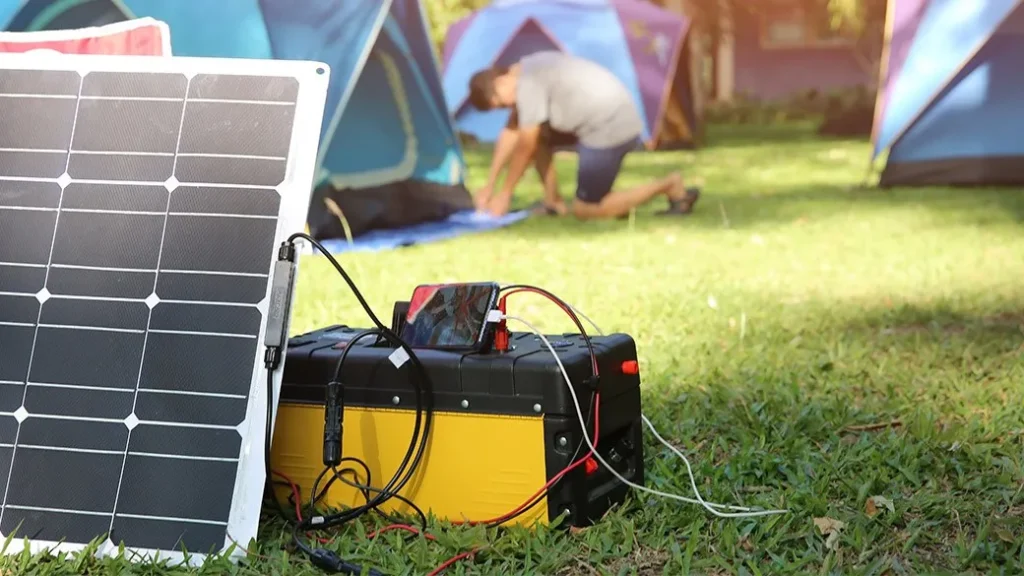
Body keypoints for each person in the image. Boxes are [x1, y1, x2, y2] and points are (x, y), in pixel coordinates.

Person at [467, 51, 700, 219]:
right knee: (539, 138)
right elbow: (512, 132)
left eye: (499, 102)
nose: (505, 107)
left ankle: (669, 185)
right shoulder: (526, 68)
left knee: (586, 209)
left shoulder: (528, 83)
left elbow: (525, 145)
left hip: (609, 126)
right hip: (603, 119)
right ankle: (553, 202)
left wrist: (505, 194)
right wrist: (490, 185)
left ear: (500, 81)